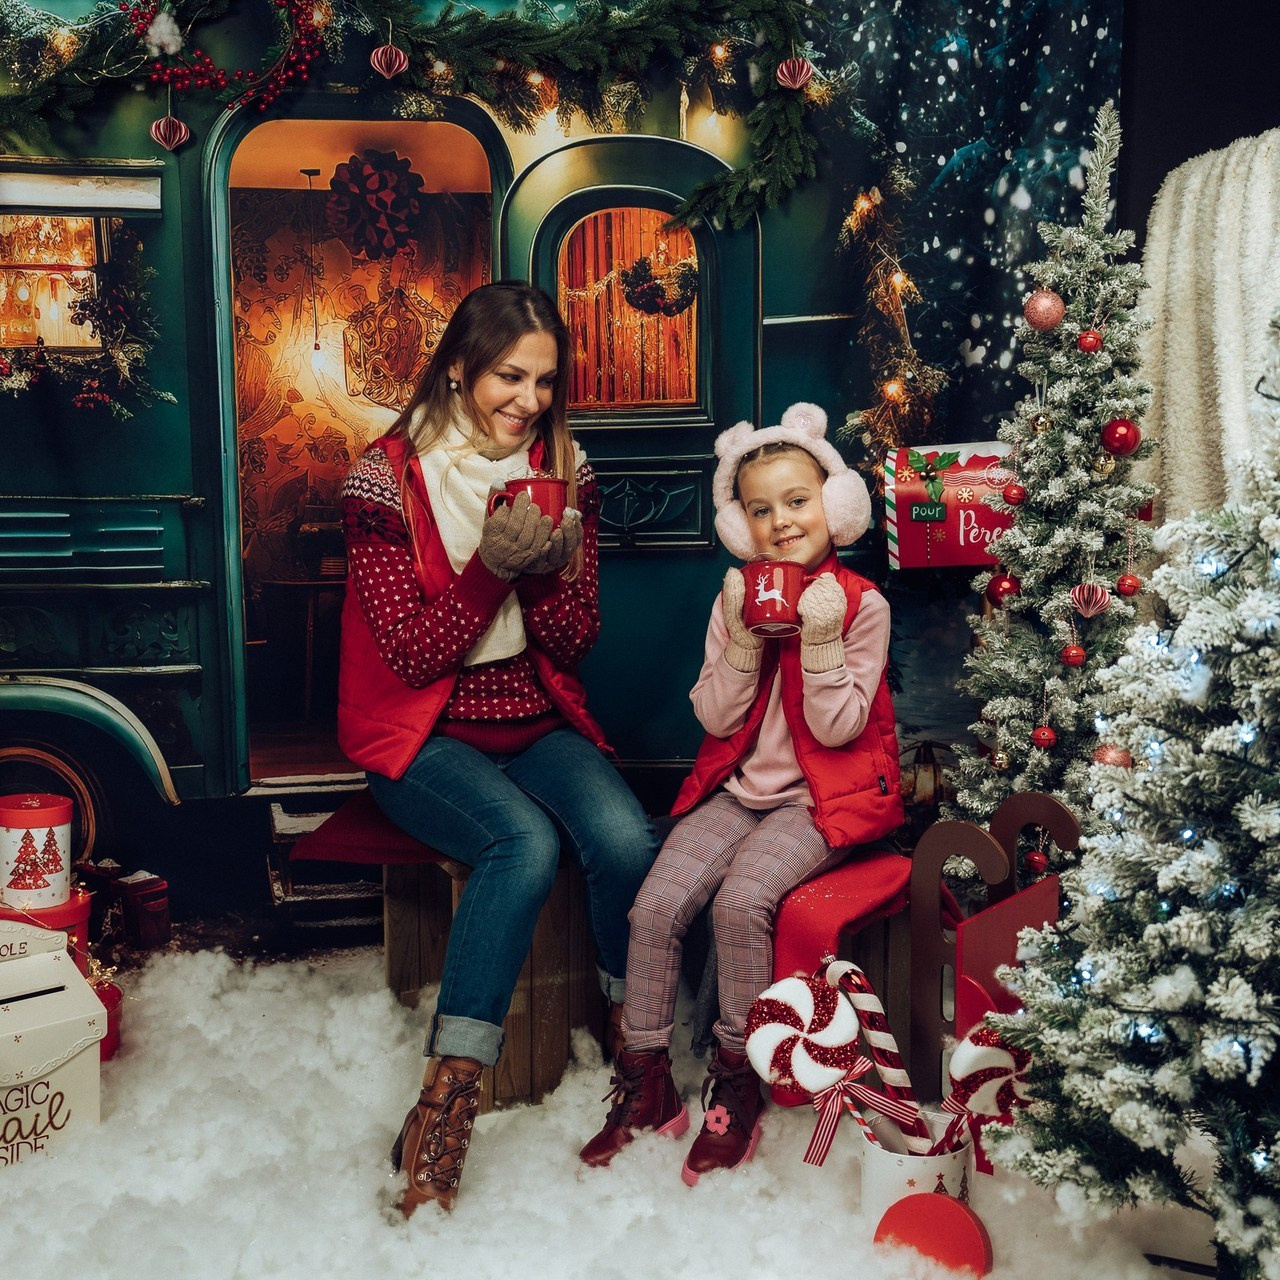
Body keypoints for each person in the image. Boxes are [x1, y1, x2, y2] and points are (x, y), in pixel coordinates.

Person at [338, 281, 657, 1216]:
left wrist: (551, 574)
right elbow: (414, 652)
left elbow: (575, 639)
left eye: (546, 381)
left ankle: (629, 1036)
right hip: (421, 731)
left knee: (629, 840)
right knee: (524, 845)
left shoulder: (569, 469)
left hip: (534, 717)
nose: (529, 399)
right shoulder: (383, 478)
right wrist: (493, 570)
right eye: (508, 376)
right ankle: (446, 1106)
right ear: (458, 368)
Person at [579, 401, 903, 1184]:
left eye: (797, 502)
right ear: (739, 526)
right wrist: (743, 640)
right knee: (654, 906)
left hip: (823, 800)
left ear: (836, 505)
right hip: (738, 791)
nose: (781, 522)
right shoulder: (737, 600)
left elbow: (837, 730)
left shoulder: (864, 605)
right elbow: (715, 715)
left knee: (740, 904)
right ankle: (648, 1082)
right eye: (760, 510)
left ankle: (739, 1076)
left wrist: (820, 643)